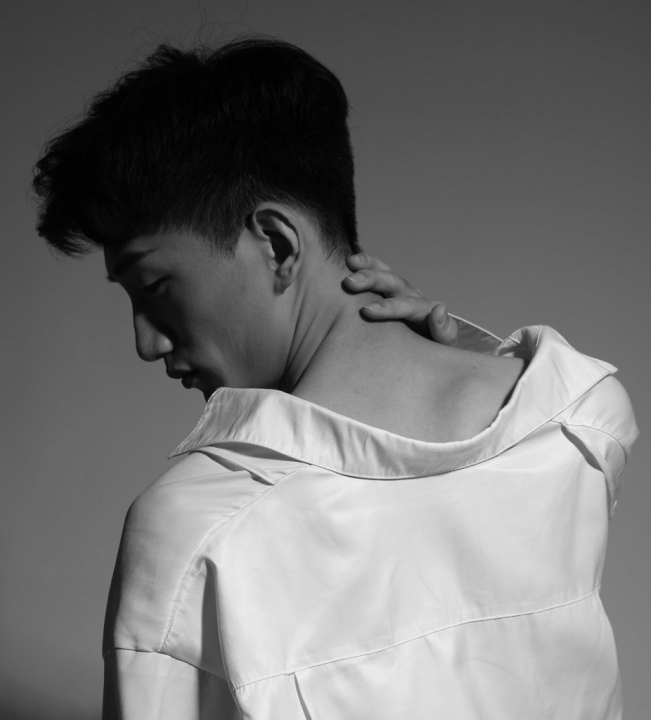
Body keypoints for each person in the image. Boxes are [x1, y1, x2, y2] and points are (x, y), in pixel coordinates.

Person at [32, 38, 638, 720]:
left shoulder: (197, 532)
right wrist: (472, 352)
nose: (145, 342)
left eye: (153, 286)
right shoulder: (579, 423)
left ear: (278, 244)